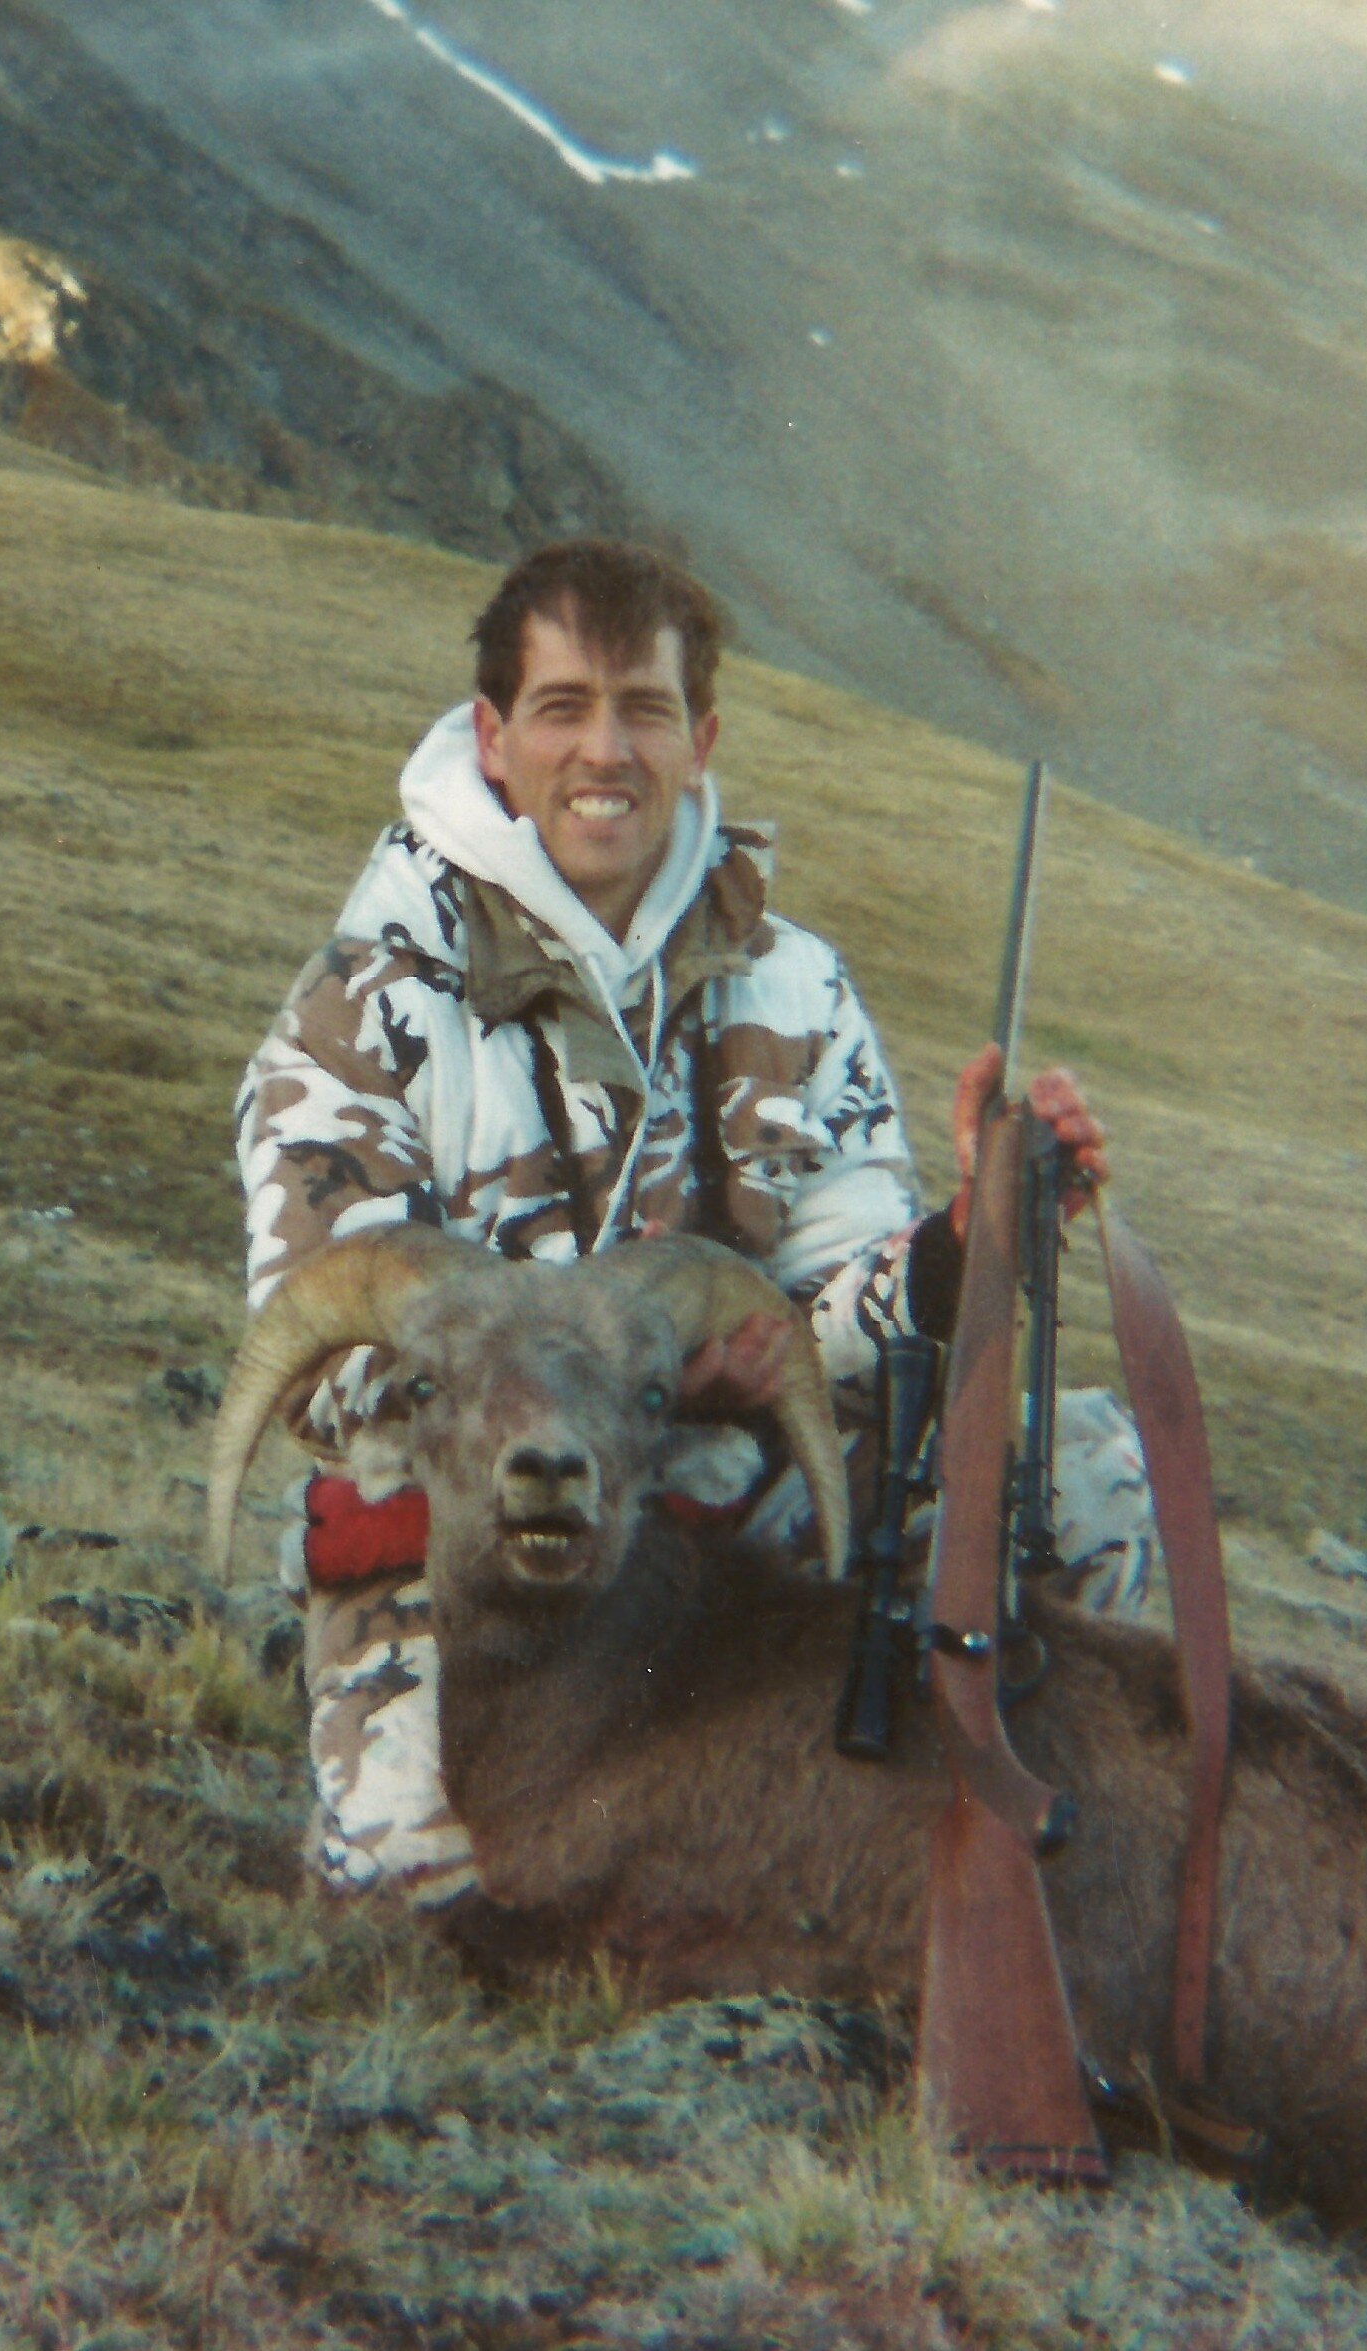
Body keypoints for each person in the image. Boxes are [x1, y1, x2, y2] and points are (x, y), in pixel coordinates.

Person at [232, 538, 1154, 1909]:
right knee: (432, 1916)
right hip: (487, 1545)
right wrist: (552, 1396)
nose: (604, 749)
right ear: (493, 738)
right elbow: (319, 1353)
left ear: (699, 736)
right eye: (561, 706)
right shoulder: (364, 1005)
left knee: (1080, 1472)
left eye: (642, 709)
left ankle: (1046, 1890)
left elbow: (840, 1319)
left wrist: (966, 1237)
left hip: (724, 1534)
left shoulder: (797, 992)